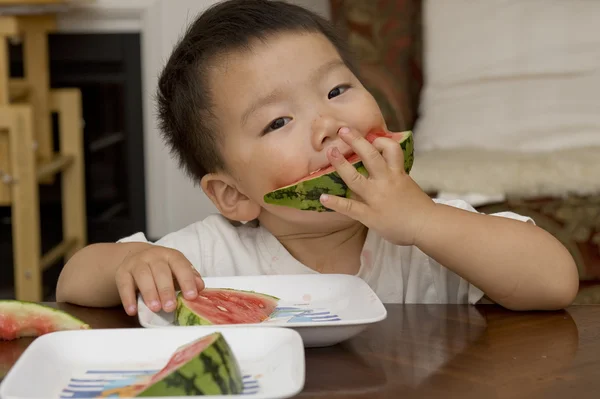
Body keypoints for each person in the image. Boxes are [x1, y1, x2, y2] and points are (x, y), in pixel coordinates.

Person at [56, 0, 579, 316]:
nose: (328, 124)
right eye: (278, 122)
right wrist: (130, 262)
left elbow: (554, 281)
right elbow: (73, 281)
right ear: (233, 195)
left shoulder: (430, 241)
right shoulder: (211, 260)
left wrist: (423, 220)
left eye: (336, 90)